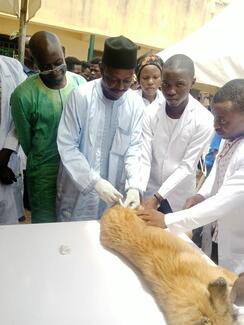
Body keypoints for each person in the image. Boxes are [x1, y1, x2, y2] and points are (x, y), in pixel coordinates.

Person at [137, 79, 244, 273]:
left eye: (223, 120)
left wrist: (167, 221)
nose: (216, 126)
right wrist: (202, 194)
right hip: (216, 232)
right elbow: (219, 171)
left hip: (237, 242)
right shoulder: (231, 136)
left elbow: (222, 202)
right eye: (214, 117)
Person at [56, 35, 144, 221]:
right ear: (102, 70)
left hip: (114, 192)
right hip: (79, 190)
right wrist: (94, 182)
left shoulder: (135, 104)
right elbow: (67, 145)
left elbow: (134, 148)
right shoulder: (81, 96)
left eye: (127, 81)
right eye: (113, 79)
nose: (120, 87)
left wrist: (134, 185)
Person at [11, 31, 86, 223]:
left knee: (73, 224)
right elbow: (27, 142)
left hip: (76, 171)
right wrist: (45, 158)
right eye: (46, 66)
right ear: (34, 63)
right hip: (44, 174)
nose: (54, 70)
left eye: (58, 62)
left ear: (62, 52)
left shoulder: (80, 84)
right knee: (45, 227)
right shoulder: (23, 95)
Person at [140, 54, 214, 214]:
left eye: (179, 84)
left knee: (174, 236)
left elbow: (187, 166)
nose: (171, 91)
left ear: (192, 82)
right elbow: (144, 157)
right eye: (166, 84)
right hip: (148, 189)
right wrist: (138, 188)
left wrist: (158, 197)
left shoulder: (204, 119)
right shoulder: (150, 113)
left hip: (178, 196)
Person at [0, 55, 26, 224]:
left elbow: (21, 114)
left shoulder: (12, 67)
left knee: (8, 233)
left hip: (6, 161)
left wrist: (4, 157)